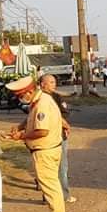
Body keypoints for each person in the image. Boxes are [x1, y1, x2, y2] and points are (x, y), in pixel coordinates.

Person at [7, 76, 65, 212]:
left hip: (45, 150)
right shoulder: (40, 100)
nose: (20, 99)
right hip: (48, 148)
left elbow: (42, 131)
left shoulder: (42, 105)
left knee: (50, 186)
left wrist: (22, 136)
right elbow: (31, 118)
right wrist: (20, 126)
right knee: (51, 184)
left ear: (29, 91)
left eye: (21, 96)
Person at [40, 74, 76, 204]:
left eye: (54, 82)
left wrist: (63, 123)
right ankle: (54, 196)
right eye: (50, 82)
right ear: (42, 84)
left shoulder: (56, 97)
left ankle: (61, 195)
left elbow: (65, 113)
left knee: (59, 166)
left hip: (59, 134)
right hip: (48, 137)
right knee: (52, 167)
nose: (53, 85)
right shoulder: (39, 99)